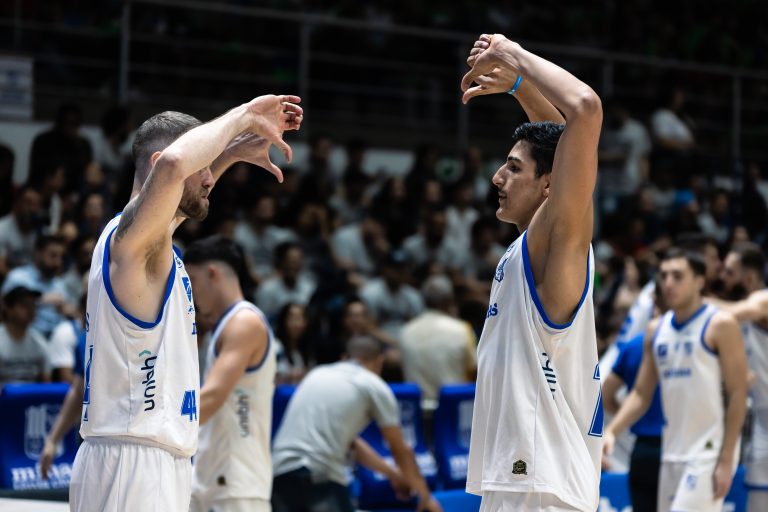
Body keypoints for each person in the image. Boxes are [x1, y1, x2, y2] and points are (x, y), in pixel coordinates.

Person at [69, 94, 303, 512]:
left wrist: (230, 153)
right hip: (132, 462)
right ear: (160, 165)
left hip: (152, 458)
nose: (210, 179)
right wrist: (244, 115)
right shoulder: (133, 244)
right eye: (204, 166)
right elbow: (176, 165)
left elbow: (180, 189)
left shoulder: (150, 245)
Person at [461, 34, 603, 511]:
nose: (497, 178)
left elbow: (585, 109)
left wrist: (513, 54)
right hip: (522, 479)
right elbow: (560, 138)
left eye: (513, 168)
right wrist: (521, 87)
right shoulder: (530, 247)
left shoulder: (556, 246)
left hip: (542, 486)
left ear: (549, 185)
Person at [603, 249, 748, 512]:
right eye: (664, 276)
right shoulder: (655, 330)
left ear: (699, 281)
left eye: (678, 276)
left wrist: (727, 458)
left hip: (707, 452)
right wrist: (612, 431)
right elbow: (641, 394)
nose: (668, 283)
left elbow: (738, 393)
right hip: (670, 453)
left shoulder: (720, 324)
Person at [271, 335, 441, 512]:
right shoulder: (373, 384)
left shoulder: (317, 374)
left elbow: (353, 446)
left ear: (345, 357)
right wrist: (425, 496)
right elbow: (399, 448)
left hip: (279, 474)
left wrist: (393, 475)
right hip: (319, 474)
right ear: (379, 361)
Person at [184, 235, 277, 512]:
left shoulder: (245, 322)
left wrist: (153, 423)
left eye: (192, 280)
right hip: (210, 478)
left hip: (237, 483)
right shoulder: (226, 324)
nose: (190, 292)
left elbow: (211, 397)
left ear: (213, 273)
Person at [707, 242, 768, 512]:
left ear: (750, 277)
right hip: (761, 417)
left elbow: (739, 311)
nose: (723, 277)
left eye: (730, 272)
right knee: (757, 500)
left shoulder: (762, 299)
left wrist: (693, 300)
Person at [602, 278, 666, 512]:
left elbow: (607, 394)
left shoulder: (633, 346)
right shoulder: (701, 339)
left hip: (643, 450)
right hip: (678, 450)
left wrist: (620, 422)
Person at [400, 275, 477, 404]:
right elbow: (475, 371)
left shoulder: (406, 331)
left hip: (417, 409)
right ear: (450, 300)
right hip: (453, 409)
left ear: (423, 301)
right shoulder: (461, 330)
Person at [40, 330, 87, 479]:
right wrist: (53, 440)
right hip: (97, 442)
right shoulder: (85, 340)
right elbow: (79, 391)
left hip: (140, 439)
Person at [0, 279, 50, 383]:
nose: (31, 310)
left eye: (33, 305)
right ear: (8, 308)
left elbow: (46, 383)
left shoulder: (39, 342)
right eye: (24, 305)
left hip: (32, 393)